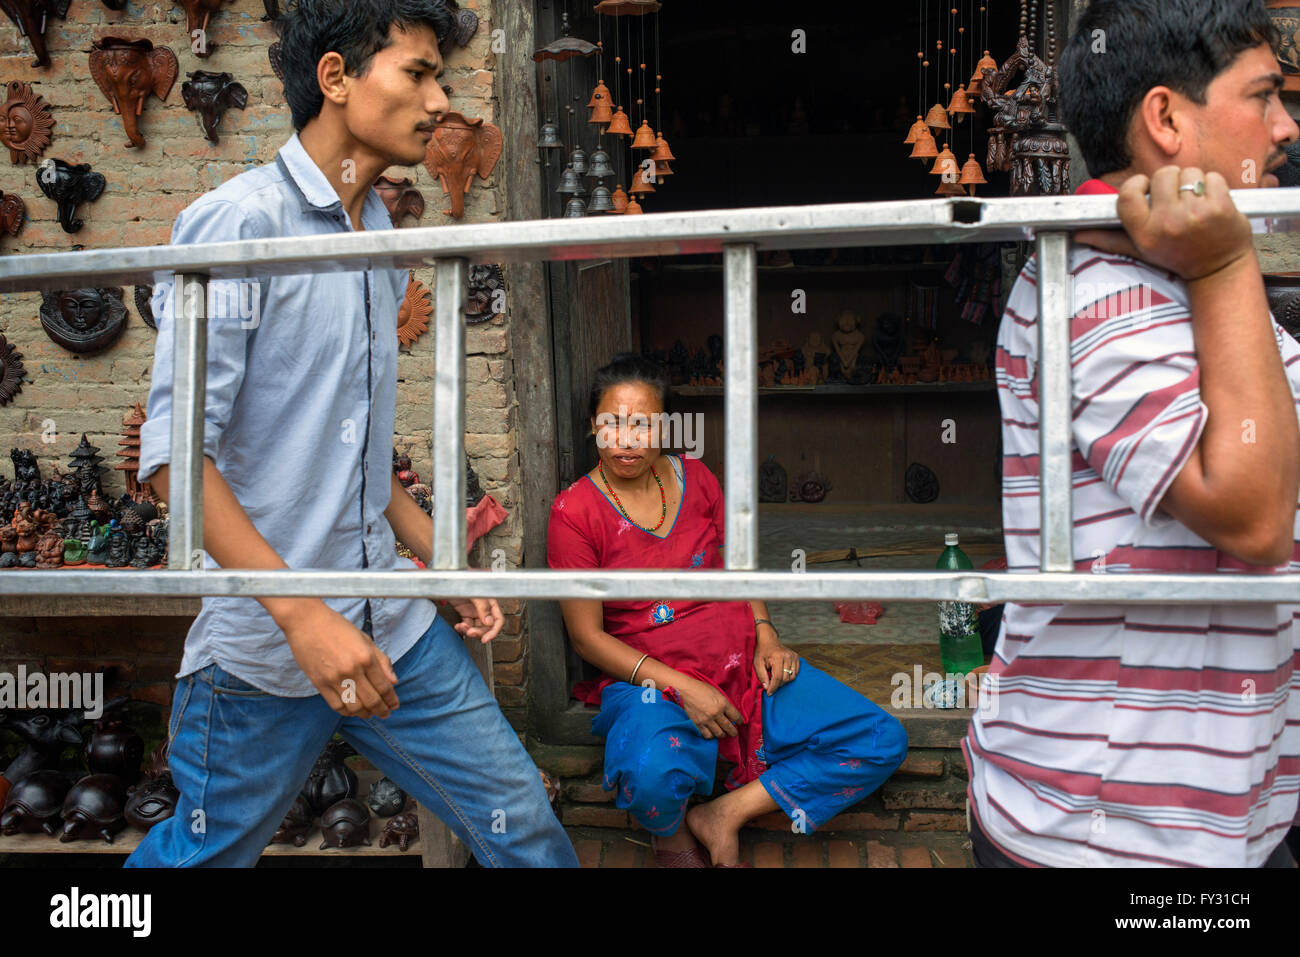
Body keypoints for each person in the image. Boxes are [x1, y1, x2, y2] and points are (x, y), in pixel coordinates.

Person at [125, 0, 576, 867]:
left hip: (391, 620)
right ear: (335, 78)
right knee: (200, 858)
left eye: (439, 76)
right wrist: (302, 616)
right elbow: (173, 462)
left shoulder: (373, 231)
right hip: (267, 649)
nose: (441, 99)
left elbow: (352, 452)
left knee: (526, 830)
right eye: (416, 72)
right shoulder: (238, 225)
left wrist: (435, 553)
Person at [965, 0, 1300, 867]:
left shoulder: (1185, 285)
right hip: (1108, 835)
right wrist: (1227, 262)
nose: (1286, 127)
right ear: (1165, 119)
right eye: (1263, 96)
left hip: (1220, 815)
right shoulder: (1099, 290)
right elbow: (1253, 515)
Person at [548, 355, 907, 867]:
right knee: (651, 770)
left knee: (880, 739)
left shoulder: (696, 478)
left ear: (664, 426)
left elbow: (734, 567)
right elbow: (587, 639)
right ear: (593, 425)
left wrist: (766, 632)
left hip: (743, 664)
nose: (626, 440)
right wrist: (682, 688)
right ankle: (671, 834)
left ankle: (724, 814)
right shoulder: (574, 513)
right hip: (652, 681)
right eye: (612, 423)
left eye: (642, 423)